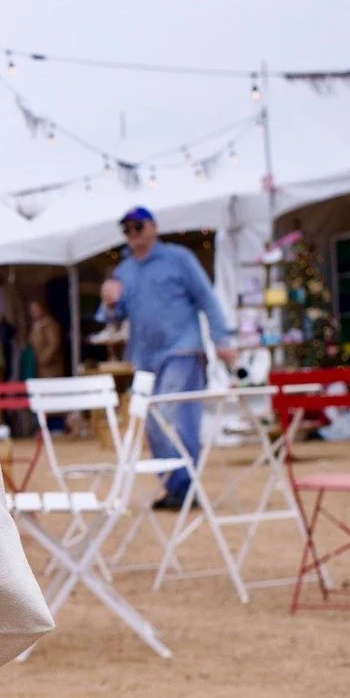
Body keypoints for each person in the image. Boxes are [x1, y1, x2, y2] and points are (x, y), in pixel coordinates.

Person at [96, 207, 235, 510]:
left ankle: (184, 485)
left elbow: (207, 299)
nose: (133, 235)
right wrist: (109, 303)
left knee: (172, 414)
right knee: (152, 423)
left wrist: (222, 338)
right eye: (127, 230)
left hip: (182, 350)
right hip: (145, 357)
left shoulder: (179, 258)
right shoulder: (125, 270)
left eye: (138, 227)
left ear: (153, 227)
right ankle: (174, 486)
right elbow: (114, 318)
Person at [27, 297, 66, 381]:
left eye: (36, 309)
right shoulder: (35, 325)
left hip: (50, 367)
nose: (33, 312)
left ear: (42, 309)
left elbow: (54, 343)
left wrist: (44, 359)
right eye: (31, 309)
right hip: (39, 367)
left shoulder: (50, 323)